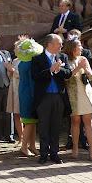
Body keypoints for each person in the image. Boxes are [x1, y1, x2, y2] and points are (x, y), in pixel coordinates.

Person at [31, 34, 72, 164]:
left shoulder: (63, 57)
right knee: (44, 126)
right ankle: (43, 153)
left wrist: (59, 70)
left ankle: (54, 153)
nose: (61, 46)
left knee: (56, 126)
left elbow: (69, 73)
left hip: (59, 96)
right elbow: (35, 76)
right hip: (44, 97)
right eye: (59, 43)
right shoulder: (37, 59)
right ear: (50, 45)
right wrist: (50, 70)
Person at [63, 39, 92, 160]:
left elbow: (91, 76)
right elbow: (66, 77)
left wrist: (86, 69)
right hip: (73, 94)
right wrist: (78, 68)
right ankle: (75, 148)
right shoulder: (66, 60)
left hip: (85, 93)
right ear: (73, 48)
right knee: (75, 122)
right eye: (79, 46)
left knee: (88, 121)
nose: (82, 48)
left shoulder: (83, 59)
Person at [16, 38, 41, 157]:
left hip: (23, 91)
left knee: (31, 121)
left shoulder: (22, 63)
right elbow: (32, 82)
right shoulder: (30, 64)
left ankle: (32, 145)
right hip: (29, 93)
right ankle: (24, 147)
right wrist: (35, 96)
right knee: (30, 122)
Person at [6, 39, 23, 145]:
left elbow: (24, 75)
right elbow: (11, 76)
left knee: (24, 115)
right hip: (13, 88)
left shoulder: (26, 61)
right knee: (16, 114)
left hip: (21, 88)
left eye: (16, 48)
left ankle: (26, 138)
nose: (14, 50)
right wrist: (9, 69)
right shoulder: (15, 60)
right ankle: (21, 137)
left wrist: (13, 70)